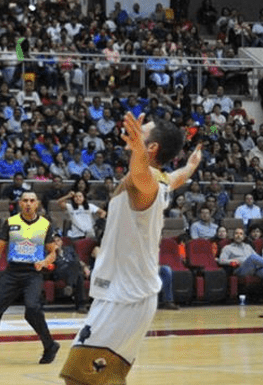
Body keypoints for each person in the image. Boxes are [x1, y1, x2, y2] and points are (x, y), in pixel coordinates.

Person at [60, 113, 202, 385]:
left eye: (141, 133)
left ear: (151, 148)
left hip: (128, 297)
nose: (133, 135)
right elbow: (176, 177)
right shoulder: (160, 180)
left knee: (82, 378)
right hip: (123, 293)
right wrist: (191, 166)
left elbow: (139, 172)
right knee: (96, 377)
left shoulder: (145, 184)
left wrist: (137, 153)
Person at [0, 190, 58, 365]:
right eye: (25, 201)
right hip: (12, 272)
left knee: (32, 309)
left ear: (37, 204)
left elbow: (53, 252)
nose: (28, 204)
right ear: (20, 204)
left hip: (33, 273)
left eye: (32, 200)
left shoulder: (45, 224)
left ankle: (50, 346)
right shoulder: (10, 222)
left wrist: (45, 261)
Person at [218, 228, 263, 307]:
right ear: (233, 236)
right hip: (240, 269)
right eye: (236, 233)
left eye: (241, 234)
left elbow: (257, 258)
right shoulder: (227, 248)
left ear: (244, 236)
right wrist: (233, 261)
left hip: (253, 268)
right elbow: (221, 260)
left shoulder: (248, 247)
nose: (238, 235)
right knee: (253, 257)